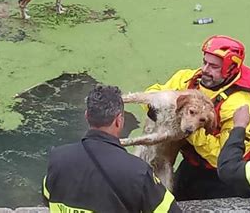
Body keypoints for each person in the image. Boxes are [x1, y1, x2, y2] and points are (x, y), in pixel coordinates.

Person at [145, 35, 250, 200]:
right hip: (191, 166)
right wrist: (156, 106)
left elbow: (221, 156)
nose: (205, 69)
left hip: (223, 180)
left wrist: (188, 127)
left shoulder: (242, 107)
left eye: (214, 66)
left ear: (231, 68)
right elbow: (156, 93)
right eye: (205, 62)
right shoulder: (188, 79)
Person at [42, 84, 181, 213]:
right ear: (119, 120)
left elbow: (47, 196)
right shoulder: (138, 172)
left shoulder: (57, 159)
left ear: (87, 116)